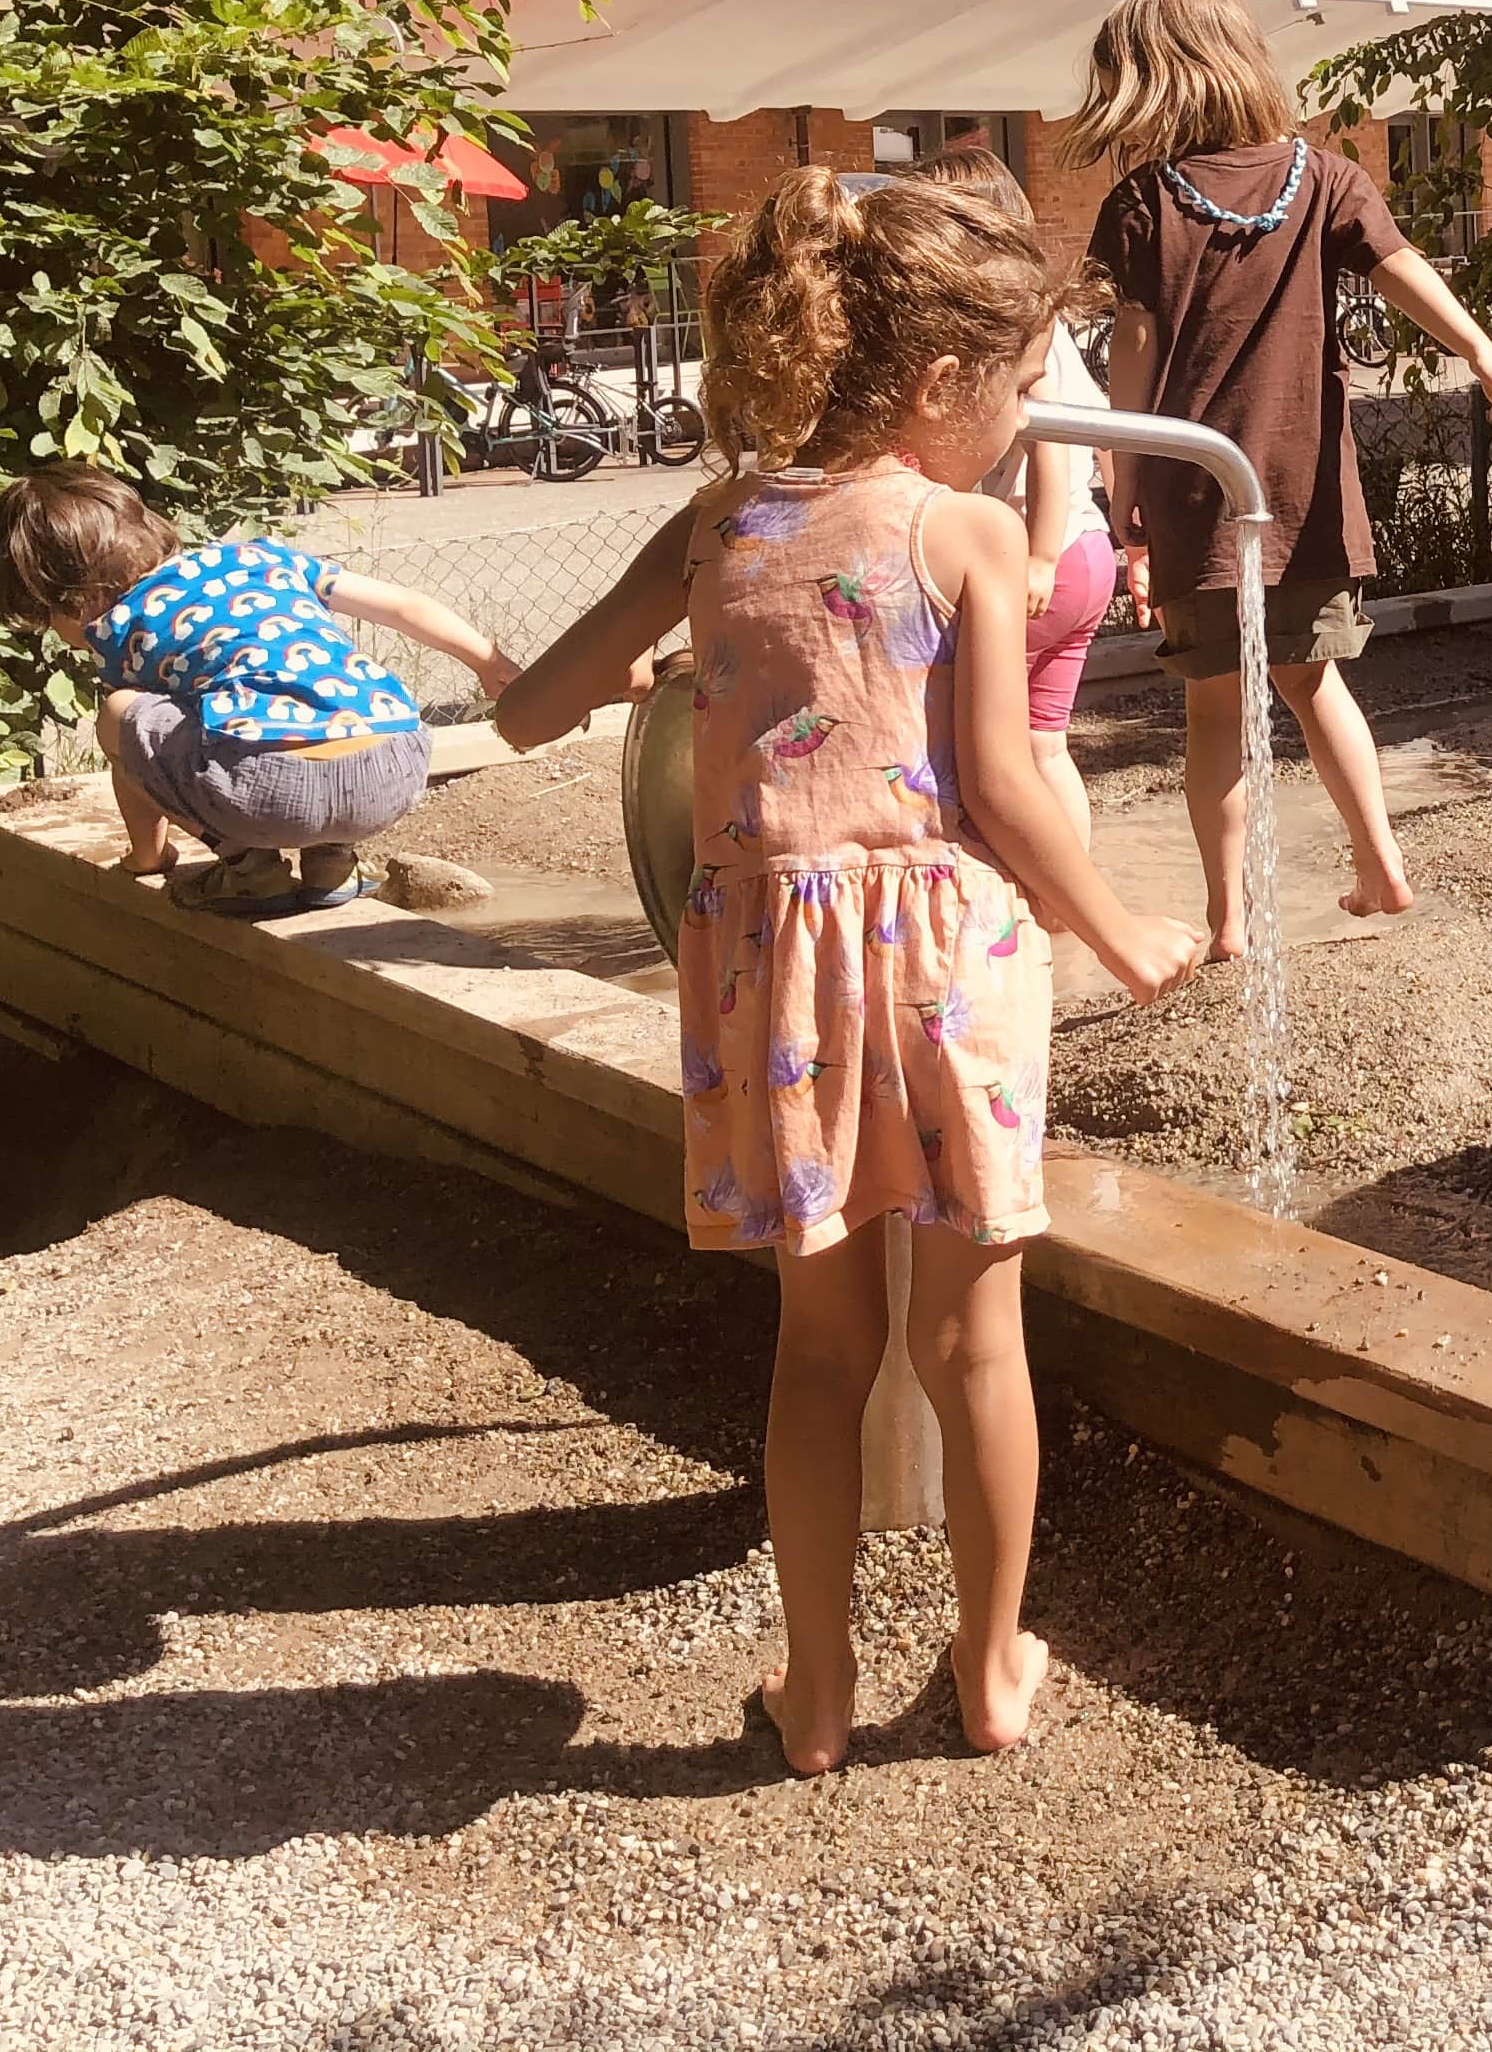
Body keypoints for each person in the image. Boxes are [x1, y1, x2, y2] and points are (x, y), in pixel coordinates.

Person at [494, 170, 1205, 1778]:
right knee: (974, 1342)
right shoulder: (956, 529)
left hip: (766, 976)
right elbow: (1008, 788)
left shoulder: (718, 521)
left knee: (819, 1349)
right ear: (946, 383)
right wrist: (1117, 922)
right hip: (943, 962)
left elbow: (540, 706)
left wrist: (507, 697)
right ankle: (994, 1669)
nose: (1027, 425)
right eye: (1019, 390)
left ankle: (813, 1697)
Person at [1062, 0, 1492, 956]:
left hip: (1198, 486)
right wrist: (1483, 351)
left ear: (1158, 81)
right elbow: (1400, 263)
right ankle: (1383, 867)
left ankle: (1229, 923)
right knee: (1313, 682)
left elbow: (1135, 356)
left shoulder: (1146, 201)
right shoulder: (1321, 178)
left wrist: (1125, 486)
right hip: (1303, 487)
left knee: (1214, 707)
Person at [0, 465, 516, 917]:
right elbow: (403, 605)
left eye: (47, 617)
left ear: (74, 599)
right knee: (299, 704)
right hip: (393, 771)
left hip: (269, 797)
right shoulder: (261, 558)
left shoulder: (118, 627)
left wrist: (147, 859)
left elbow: (139, 757)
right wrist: (488, 663)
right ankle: (334, 862)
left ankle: (249, 868)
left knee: (119, 714)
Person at [911, 141, 1110, 882]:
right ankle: (1069, 887)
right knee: (1045, 744)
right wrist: (1133, 536)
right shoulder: (1047, 322)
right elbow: (1107, 433)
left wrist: (1041, 556)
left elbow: (1052, 443)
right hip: (1089, 554)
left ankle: (1018, 883)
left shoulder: (1008, 328)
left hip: (1039, 559)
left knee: (985, 746)